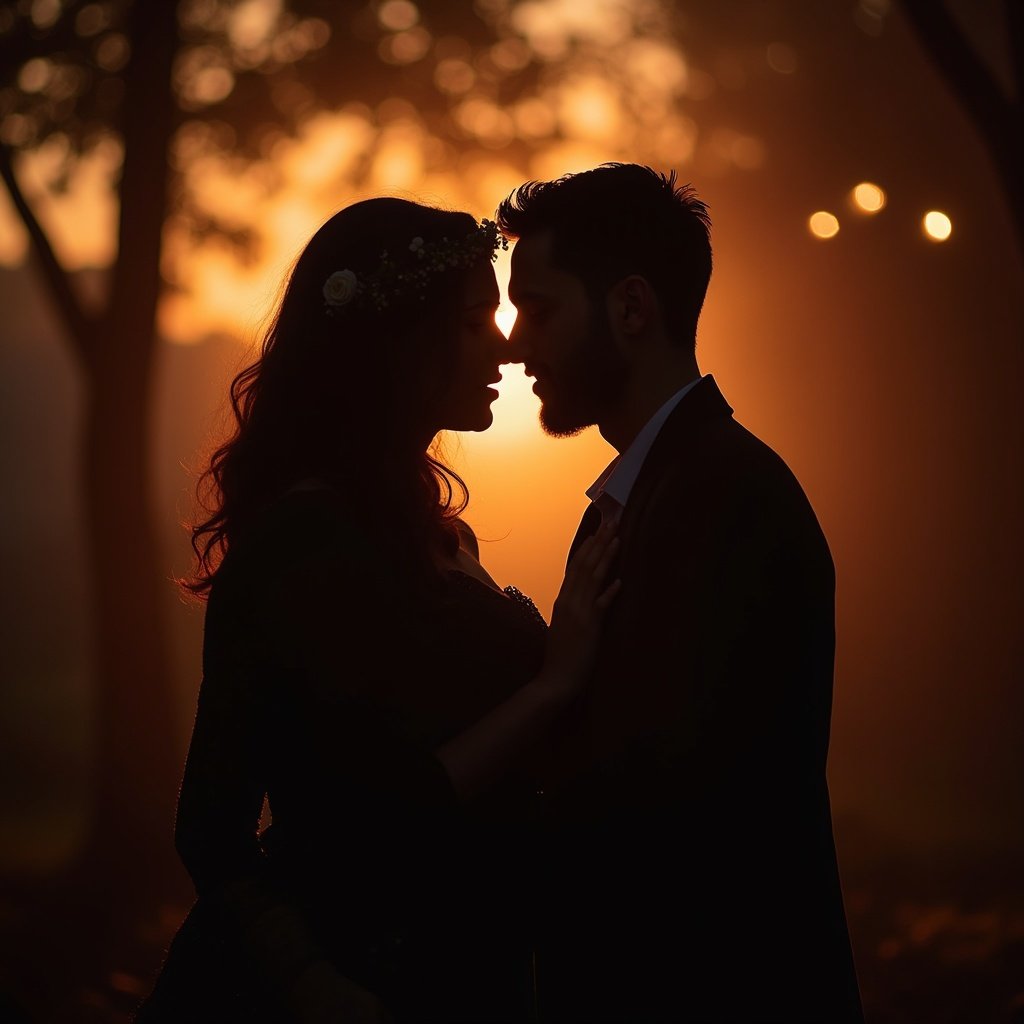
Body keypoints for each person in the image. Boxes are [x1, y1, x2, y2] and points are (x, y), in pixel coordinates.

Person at [133, 197, 619, 1024]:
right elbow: (223, 825)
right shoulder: (308, 538)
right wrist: (309, 984)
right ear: (400, 346)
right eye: (475, 322)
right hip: (349, 982)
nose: (505, 345)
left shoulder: (429, 527)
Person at [497, 163, 865, 1023]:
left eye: (539, 307)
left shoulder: (728, 494)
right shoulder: (646, 495)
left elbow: (671, 789)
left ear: (631, 308)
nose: (516, 344)